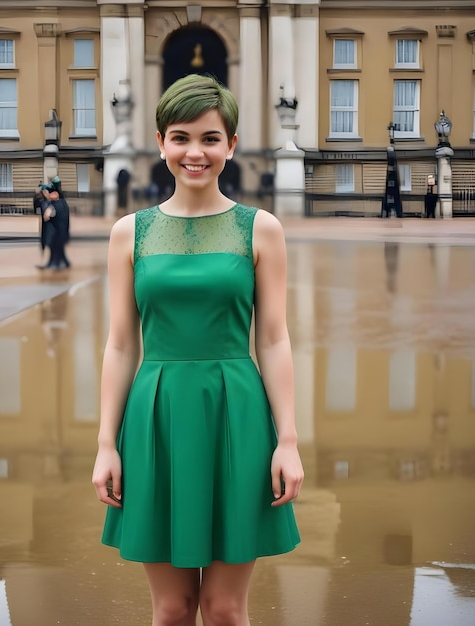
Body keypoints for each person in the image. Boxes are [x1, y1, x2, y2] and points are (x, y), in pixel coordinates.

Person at [91, 74, 303, 626]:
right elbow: (119, 345)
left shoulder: (261, 229)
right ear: (161, 143)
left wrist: (288, 441)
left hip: (236, 414)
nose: (195, 152)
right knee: (171, 608)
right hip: (155, 417)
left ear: (231, 145)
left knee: (226, 608)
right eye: (181, 137)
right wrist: (105, 445)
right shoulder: (128, 234)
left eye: (210, 138)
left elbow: (275, 339)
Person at [38, 177, 70, 270]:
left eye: (50, 192)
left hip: (59, 232)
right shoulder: (55, 202)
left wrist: (50, 212)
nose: (47, 194)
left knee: (56, 248)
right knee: (57, 248)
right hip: (57, 232)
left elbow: (54, 216)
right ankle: (58, 263)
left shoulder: (59, 203)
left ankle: (54, 263)